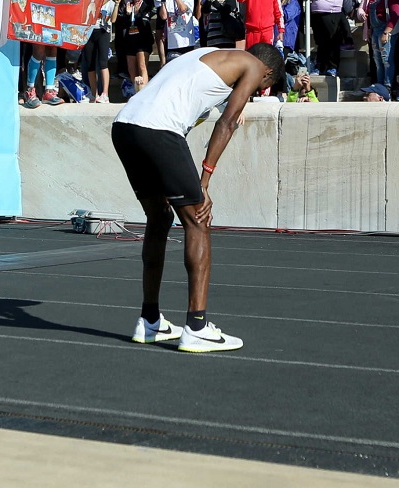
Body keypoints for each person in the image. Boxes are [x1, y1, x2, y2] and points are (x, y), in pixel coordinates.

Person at [111, 44, 284, 352]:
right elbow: (227, 123)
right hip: (158, 130)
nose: (256, 90)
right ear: (267, 73)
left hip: (125, 126)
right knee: (198, 220)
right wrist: (204, 182)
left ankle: (150, 320)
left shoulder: (207, 54)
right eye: (261, 88)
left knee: (160, 217)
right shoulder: (254, 65)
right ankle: (197, 326)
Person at [359, 0, 399, 88]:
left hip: (385, 30)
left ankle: (388, 85)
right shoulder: (370, 1)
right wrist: (369, 29)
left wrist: (386, 32)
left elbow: (395, 15)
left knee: (386, 60)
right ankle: (379, 85)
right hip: (375, 30)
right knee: (377, 60)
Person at [82, 0, 116, 103]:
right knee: (90, 64)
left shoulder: (110, 2)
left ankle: (105, 94)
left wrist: (117, 4)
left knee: (103, 63)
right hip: (88, 32)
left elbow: (113, 19)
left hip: (103, 32)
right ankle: (93, 94)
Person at [311, 0, 346, 76]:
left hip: (331, 11)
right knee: (320, 43)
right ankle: (320, 67)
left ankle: (332, 67)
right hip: (316, 12)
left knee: (332, 42)